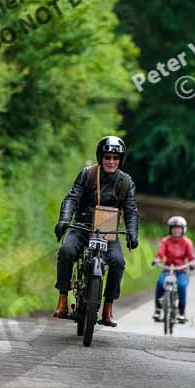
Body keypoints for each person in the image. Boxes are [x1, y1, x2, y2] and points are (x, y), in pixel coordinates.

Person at [53, 136, 139, 327]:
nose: (111, 161)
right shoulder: (87, 174)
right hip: (82, 227)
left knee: (118, 262)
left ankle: (108, 307)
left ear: (121, 160)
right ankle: (62, 299)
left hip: (108, 233)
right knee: (66, 252)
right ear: (100, 157)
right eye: (107, 157)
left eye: (115, 158)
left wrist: (132, 232)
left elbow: (131, 210)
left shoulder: (126, 182)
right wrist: (65, 220)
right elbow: (72, 198)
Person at [152, 215, 195, 323]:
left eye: (179, 228)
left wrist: (192, 263)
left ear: (183, 229)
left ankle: (181, 312)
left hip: (181, 270)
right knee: (160, 283)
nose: (176, 230)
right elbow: (160, 253)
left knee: (181, 286)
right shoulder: (165, 241)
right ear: (170, 229)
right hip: (167, 269)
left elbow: (191, 257)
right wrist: (157, 259)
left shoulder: (187, 242)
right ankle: (158, 309)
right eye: (174, 228)